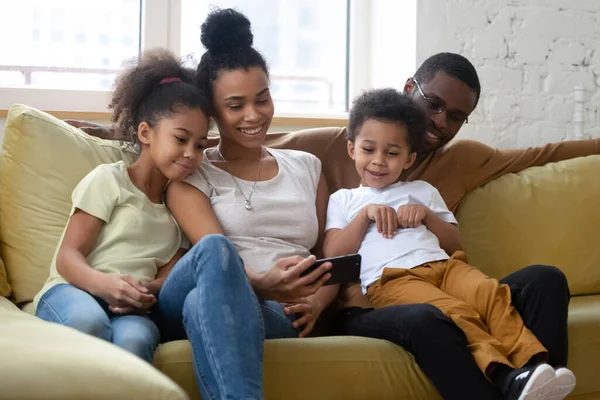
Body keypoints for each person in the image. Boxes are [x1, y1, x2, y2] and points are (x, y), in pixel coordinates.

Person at [328, 52, 598, 399]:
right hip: (384, 291)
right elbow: (333, 252)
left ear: (407, 158)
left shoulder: (446, 173)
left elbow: (543, 154)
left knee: (531, 283)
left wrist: (425, 214)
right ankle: (503, 376)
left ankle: (536, 376)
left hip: (446, 270)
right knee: (444, 315)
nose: (440, 122)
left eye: (455, 116)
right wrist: (365, 216)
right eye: (434, 104)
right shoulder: (345, 166)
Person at [151, 9, 337, 399]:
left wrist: (319, 299)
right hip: (201, 290)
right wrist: (262, 283)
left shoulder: (308, 167)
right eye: (236, 105)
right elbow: (212, 261)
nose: (254, 115)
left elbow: (328, 253)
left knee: (205, 304)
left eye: (263, 99)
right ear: (212, 112)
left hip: (281, 310)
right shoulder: (190, 176)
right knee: (216, 256)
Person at [33, 48, 211, 363]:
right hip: (75, 289)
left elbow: (167, 277)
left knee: (135, 339)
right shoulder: (109, 180)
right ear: (145, 133)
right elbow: (67, 256)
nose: (191, 155)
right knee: (88, 322)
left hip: (131, 308)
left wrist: (143, 292)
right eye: (181, 139)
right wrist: (105, 285)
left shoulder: (182, 207)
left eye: (199, 145)